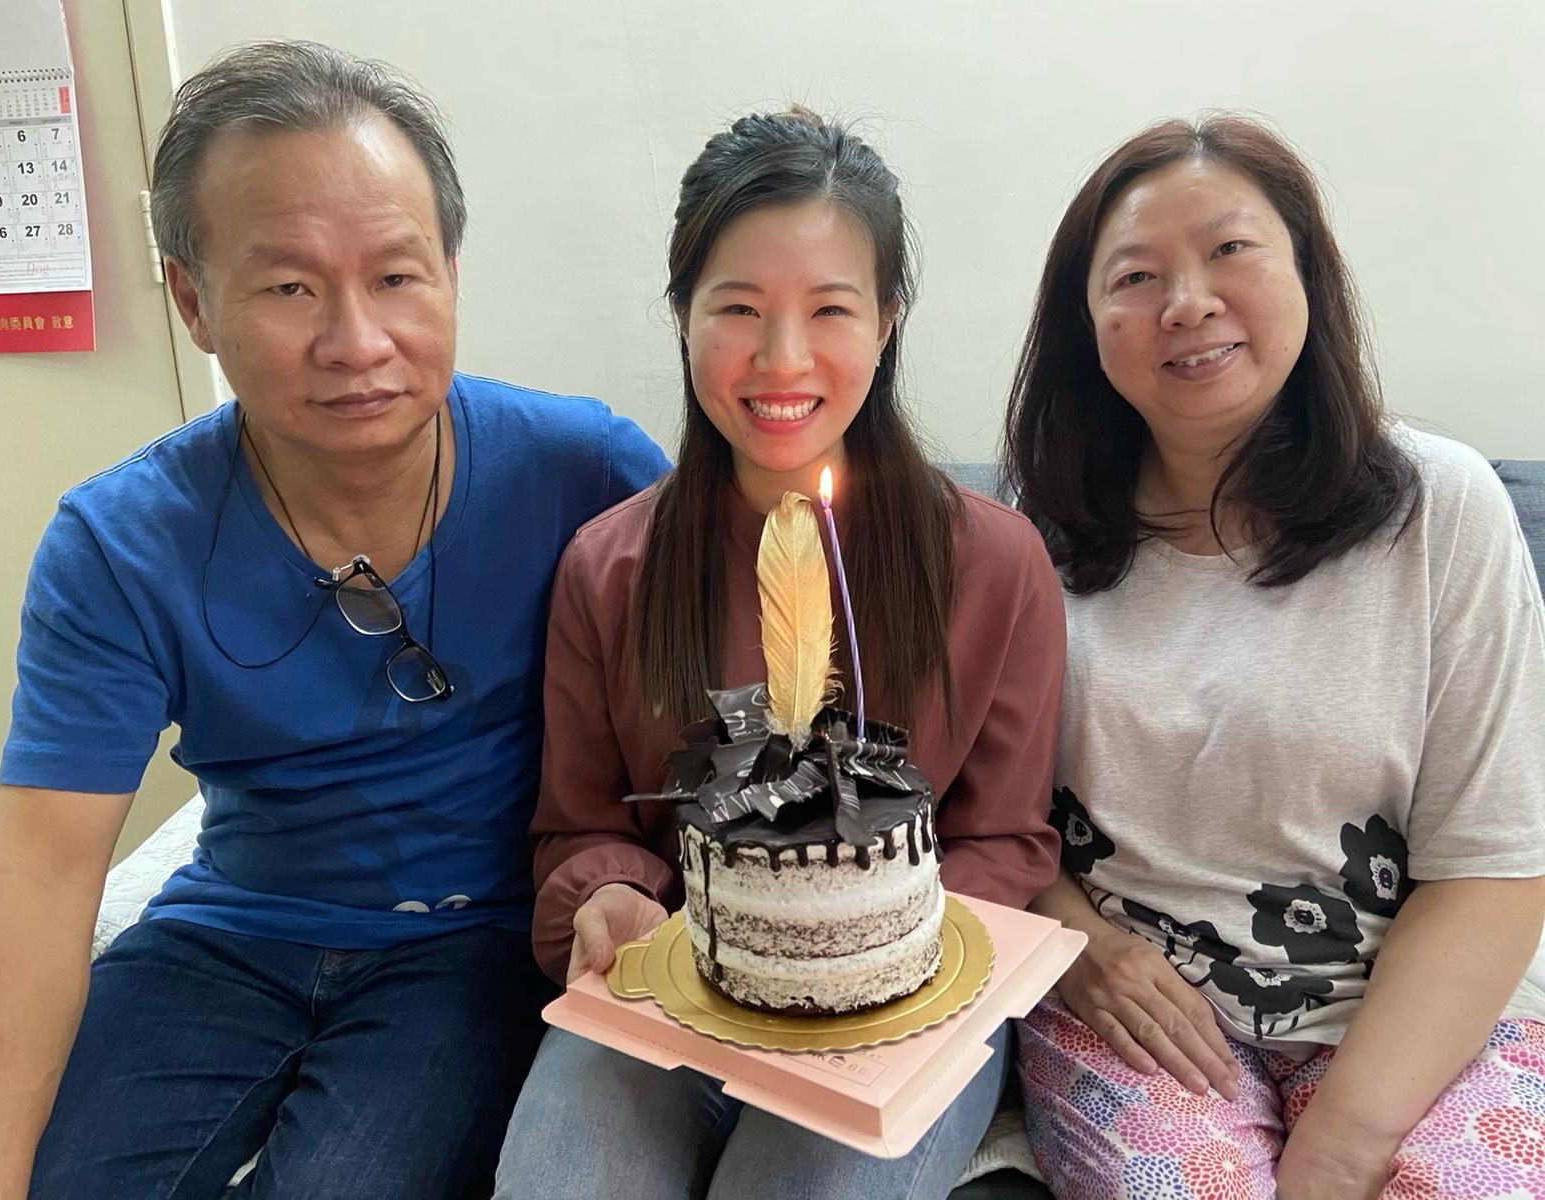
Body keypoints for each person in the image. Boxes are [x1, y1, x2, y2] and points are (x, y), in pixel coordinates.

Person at [0, 40, 667, 1200]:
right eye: (288, 287)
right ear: (193, 301)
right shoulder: (120, 541)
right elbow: (38, 864)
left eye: (396, 276)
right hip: (230, 931)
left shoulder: (588, 473)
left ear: (450, 273)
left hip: (475, 941)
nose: (356, 342)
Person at [490, 108, 1066, 1200]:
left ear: (888, 321)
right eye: (739, 309)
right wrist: (608, 896)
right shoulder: (609, 568)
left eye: (831, 309)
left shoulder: (995, 566)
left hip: (912, 1001)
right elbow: (581, 823)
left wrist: (862, 943)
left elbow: (1005, 836)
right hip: (679, 976)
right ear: (682, 315)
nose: (782, 359)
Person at [1004, 114, 1545, 1199]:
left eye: (1230, 250)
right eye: (1135, 276)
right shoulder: (1029, 529)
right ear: (1086, 326)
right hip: (1143, 1013)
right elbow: (983, 818)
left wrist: (1339, 1153)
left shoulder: (1442, 508)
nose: (1187, 301)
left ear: (1308, 270)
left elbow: (1493, 861)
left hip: (1422, 1011)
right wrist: (1082, 949)